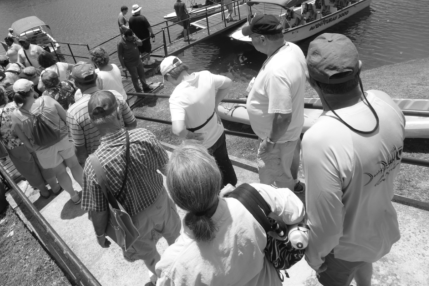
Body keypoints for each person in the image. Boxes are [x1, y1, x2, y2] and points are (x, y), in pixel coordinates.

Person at [302, 34, 405, 286]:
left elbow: (326, 226)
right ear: (360, 68)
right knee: (364, 264)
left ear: (309, 81)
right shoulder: (385, 101)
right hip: (381, 229)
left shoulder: (320, 139)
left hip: (344, 250)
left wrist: (314, 257)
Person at [156, 146, 305, 286]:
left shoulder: (173, 264)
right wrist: (233, 199)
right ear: (216, 177)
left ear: (177, 199)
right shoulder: (253, 197)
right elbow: (296, 211)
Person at [81, 91, 181, 285]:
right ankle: (184, 269)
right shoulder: (144, 135)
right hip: (160, 203)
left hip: (132, 222)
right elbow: (168, 170)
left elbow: (99, 211)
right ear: (119, 111)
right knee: (176, 240)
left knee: (151, 257)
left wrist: (100, 235)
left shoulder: (92, 165)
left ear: (93, 122)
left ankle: (167, 280)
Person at [243, 14, 307, 192]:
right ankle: (295, 186)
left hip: (278, 139)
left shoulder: (276, 71)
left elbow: (283, 116)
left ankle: (284, 213)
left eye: (252, 37)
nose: (250, 41)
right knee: (289, 164)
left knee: (275, 179)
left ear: (262, 39)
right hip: (292, 132)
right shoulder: (293, 49)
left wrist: (270, 142)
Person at [161, 56, 237, 188]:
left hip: (202, 144)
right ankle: (232, 185)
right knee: (224, 160)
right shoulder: (205, 75)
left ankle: (218, 196)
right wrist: (215, 105)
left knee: (208, 173)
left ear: (169, 76)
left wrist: (190, 136)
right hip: (218, 132)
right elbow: (228, 82)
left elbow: (178, 130)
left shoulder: (177, 97)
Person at [11, 79, 84, 204]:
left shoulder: (16, 115)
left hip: (42, 149)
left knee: (60, 173)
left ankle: (74, 196)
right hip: (63, 139)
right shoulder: (47, 99)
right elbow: (66, 117)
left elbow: (23, 139)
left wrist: (34, 149)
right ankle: (88, 190)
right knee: (74, 165)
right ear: (32, 90)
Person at [0, 86, 53, 198]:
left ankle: (43, 191)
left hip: (14, 147)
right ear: (4, 96)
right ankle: (54, 184)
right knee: (43, 160)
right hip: (32, 138)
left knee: (28, 169)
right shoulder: (17, 104)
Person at [67, 63, 136, 164]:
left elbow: (80, 150)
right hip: (125, 151)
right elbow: (132, 124)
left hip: (100, 163)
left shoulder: (73, 112)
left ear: (76, 84)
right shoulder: (116, 95)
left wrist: (89, 168)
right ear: (97, 78)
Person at [118, 29, 152, 93]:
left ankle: (145, 87)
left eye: (131, 37)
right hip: (130, 63)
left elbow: (141, 44)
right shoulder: (120, 43)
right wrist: (123, 67)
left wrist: (135, 39)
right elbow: (120, 55)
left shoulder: (134, 38)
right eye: (129, 38)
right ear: (125, 36)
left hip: (138, 60)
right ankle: (138, 91)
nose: (131, 39)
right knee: (135, 77)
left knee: (142, 74)